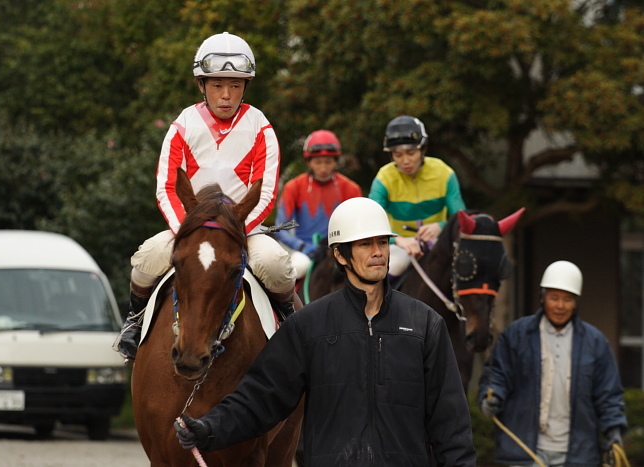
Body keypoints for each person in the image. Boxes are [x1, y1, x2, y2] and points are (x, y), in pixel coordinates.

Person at [175, 197, 476, 466]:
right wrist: (209, 428)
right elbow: (261, 398)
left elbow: (451, 422)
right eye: (365, 244)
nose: (377, 253)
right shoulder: (308, 326)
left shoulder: (426, 324)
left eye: (383, 243)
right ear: (341, 255)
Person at [113, 32, 297, 361]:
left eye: (236, 85)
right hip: (189, 228)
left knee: (275, 264)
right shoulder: (183, 124)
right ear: (202, 84)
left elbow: (266, 192)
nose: (226, 95)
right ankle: (134, 322)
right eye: (217, 85)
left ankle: (295, 331)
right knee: (146, 259)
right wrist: (185, 229)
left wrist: (236, 230)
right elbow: (166, 186)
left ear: (245, 87)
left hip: (243, 230)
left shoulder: (261, 127)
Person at [478, 260, 628, 466]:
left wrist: (614, 431)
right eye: (554, 297)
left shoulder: (595, 343)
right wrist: (491, 395)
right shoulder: (516, 335)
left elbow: (608, 394)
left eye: (567, 299)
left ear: (575, 302)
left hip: (578, 456)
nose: (560, 305)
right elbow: (497, 374)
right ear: (542, 298)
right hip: (523, 450)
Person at [369, 115, 466, 278]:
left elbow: (463, 219)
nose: (405, 161)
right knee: (394, 265)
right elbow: (370, 223)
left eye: (411, 152)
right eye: (398, 155)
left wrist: (441, 227)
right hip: (398, 245)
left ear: (423, 149)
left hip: (439, 243)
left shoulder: (444, 173)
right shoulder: (383, 178)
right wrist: (398, 240)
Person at [274, 129, 362, 279]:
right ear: (308, 162)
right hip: (306, 252)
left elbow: (358, 226)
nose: (323, 168)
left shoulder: (351, 189)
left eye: (328, 162)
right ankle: (285, 303)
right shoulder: (293, 187)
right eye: (317, 162)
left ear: (335, 161)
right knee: (296, 268)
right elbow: (280, 229)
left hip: (340, 250)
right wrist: (301, 246)